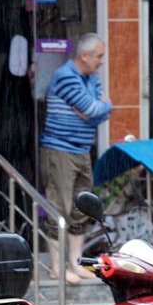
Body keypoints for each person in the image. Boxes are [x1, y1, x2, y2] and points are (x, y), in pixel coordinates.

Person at [40, 33, 112, 284]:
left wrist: (98, 108)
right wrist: (96, 108)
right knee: (60, 207)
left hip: (82, 150)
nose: (102, 61)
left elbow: (97, 113)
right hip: (60, 150)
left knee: (82, 208)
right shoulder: (65, 76)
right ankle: (57, 268)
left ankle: (75, 263)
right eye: (99, 56)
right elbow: (94, 108)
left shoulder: (92, 77)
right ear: (85, 56)